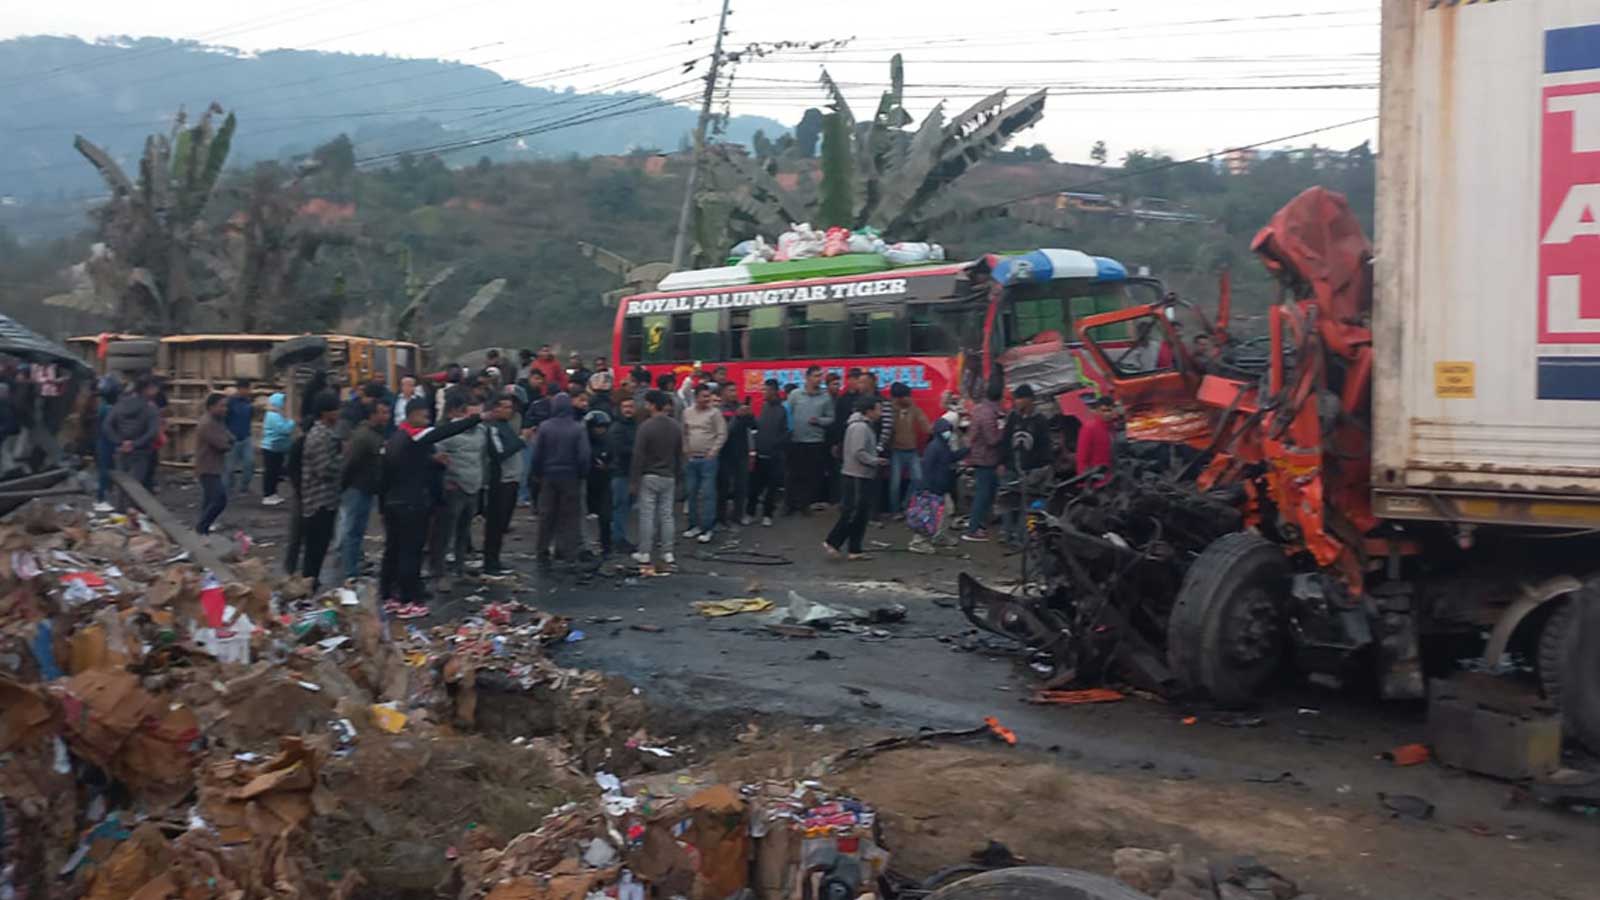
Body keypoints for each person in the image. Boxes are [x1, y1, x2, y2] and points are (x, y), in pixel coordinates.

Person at [379, 399, 482, 609]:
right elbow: (445, 431)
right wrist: (477, 418)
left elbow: (395, 470)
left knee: (394, 549)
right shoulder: (414, 435)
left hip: (394, 502)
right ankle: (409, 598)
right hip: (412, 503)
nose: (427, 422)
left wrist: (433, 462)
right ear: (413, 415)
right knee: (411, 550)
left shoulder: (396, 438)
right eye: (425, 417)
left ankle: (389, 592)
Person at [529, 392, 590, 569]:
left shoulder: (545, 427)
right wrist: (582, 474)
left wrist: (536, 474)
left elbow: (537, 454)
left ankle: (542, 552)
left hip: (549, 476)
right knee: (570, 517)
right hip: (570, 477)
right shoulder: (578, 428)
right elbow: (584, 456)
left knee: (547, 515)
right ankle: (568, 553)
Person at [825, 396, 885, 560]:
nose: (880, 413)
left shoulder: (862, 426)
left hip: (859, 474)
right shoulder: (860, 427)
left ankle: (855, 549)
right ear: (869, 410)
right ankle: (833, 541)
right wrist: (875, 461)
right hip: (857, 475)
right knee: (853, 513)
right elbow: (858, 452)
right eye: (878, 409)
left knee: (861, 515)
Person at [435, 391, 486, 581]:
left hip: (473, 487)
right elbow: (436, 458)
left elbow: (482, 458)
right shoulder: (448, 433)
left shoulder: (481, 432)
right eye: (471, 416)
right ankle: (441, 573)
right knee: (445, 533)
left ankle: (459, 568)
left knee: (464, 532)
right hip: (455, 488)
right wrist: (446, 481)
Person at [339, 398, 390, 581]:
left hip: (367, 489)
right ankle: (350, 572)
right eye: (382, 413)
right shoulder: (363, 436)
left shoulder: (376, 434)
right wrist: (342, 487)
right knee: (352, 530)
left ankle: (353, 566)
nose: (386, 416)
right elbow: (349, 463)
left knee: (358, 530)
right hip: (357, 489)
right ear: (372, 415)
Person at [630, 390, 681, 570]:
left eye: (647, 403)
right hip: (669, 476)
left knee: (647, 515)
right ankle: (668, 552)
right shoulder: (675, 426)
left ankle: (644, 552)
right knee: (667, 515)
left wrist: (634, 480)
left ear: (652, 405)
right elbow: (679, 454)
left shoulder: (645, 427)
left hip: (649, 476)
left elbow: (638, 455)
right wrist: (679, 476)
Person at [1000, 384, 1054, 546]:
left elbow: (1045, 445)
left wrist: (1044, 466)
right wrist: (1002, 462)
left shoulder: (1040, 421)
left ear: (1030, 400)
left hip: (1031, 471)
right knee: (1006, 502)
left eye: (1020, 398)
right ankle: (1006, 532)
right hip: (1011, 468)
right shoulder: (1013, 418)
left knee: (1027, 506)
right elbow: (1005, 441)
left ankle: (1021, 537)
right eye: (1016, 398)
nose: (1017, 402)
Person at [299, 391, 343, 588]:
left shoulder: (326, 433)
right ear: (326, 413)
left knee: (319, 548)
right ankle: (308, 587)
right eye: (336, 410)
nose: (338, 414)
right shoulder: (319, 436)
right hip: (318, 502)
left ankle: (311, 584)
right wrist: (344, 460)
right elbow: (324, 469)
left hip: (325, 500)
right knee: (314, 550)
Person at [482, 394, 526, 575]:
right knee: (495, 523)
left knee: (502, 523)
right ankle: (490, 561)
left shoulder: (506, 426)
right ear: (496, 409)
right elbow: (499, 453)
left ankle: (495, 559)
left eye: (511, 407)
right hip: (501, 481)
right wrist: (521, 441)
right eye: (506, 407)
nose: (510, 411)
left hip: (512, 479)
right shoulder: (492, 428)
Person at [908, 418, 966, 553]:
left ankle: (940, 536)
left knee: (946, 511)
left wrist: (965, 451)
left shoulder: (940, 446)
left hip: (938, 487)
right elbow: (930, 468)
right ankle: (918, 542)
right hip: (932, 488)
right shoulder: (936, 447)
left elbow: (950, 458)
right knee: (928, 515)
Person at [103, 375, 161, 511]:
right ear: (146, 389)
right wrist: (135, 444)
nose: (156, 391)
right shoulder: (150, 408)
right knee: (136, 486)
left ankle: (120, 513)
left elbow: (107, 425)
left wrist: (119, 442)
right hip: (141, 452)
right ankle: (132, 516)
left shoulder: (120, 404)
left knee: (121, 486)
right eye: (154, 388)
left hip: (121, 450)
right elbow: (152, 431)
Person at [680, 383, 726, 544]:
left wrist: (713, 452)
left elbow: (721, 434)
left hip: (708, 460)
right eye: (704, 396)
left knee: (707, 494)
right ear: (696, 397)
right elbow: (684, 432)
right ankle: (694, 526)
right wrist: (686, 450)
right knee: (691, 493)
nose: (707, 399)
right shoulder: (687, 412)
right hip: (692, 459)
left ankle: (708, 528)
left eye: (709, 396)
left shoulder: (715, 413)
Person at [785, 365, 834, 515]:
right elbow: (787, 414)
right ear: (807, 377)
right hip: (796, 441)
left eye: (820, 376)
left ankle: (805, 505)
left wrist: (819, 420)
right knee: (792, 474)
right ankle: (790, 505)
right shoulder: (795, 395)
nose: (819, 379)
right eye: (816, 376)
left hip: (814, 442)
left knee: (811, 475)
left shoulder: (825, 397)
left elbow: (831, 418)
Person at [963, 380, 1004, 542]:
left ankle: (979, 524)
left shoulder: (980, 409)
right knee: (983, 494)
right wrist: (1003, 430)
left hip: (979, 457)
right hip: (986, 459)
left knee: (986, 494)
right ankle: (973, 529)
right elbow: (992, 439)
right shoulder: (989, 413)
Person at [748, 379, 787, 526]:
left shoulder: (782, 410)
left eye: (766, 390)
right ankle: (750, 512)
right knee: (754, 486)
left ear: (774, 391)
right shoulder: (763, 407)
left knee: (771, 487)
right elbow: (757, 427)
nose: (763, 393)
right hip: (759, 453)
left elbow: (787, 432)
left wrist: (776, 445)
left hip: (774, 455)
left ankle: (767, 514)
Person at [887, 382, 930, 515]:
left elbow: (925, 426)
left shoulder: (914, 409)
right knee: (895, 484)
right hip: (896, 451)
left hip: (912, 450)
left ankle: (906, 506)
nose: (909, 398)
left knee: (918, 479)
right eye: (906, 396)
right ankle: (895, 511)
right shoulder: (889, 410)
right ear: (898, 398)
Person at [716, 383, 755, 527]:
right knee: (723, 487)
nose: (734, 393)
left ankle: (738, 515)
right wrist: (737, 417)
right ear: (723, 393)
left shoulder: (740, 407)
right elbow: (726, 431)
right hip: (724, 453)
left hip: (742, 452)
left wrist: (749, 415)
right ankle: (721, 517)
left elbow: (753, 426)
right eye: (731, 390)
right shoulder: (718, 410)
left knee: (742, 486)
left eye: (735, 390)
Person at [194, 392, 233, 535]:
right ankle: (201, 527)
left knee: (209, 500)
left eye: (225, 406)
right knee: (219, 499)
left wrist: (228, 441)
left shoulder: (217, 421)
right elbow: (223, 444)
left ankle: (202, 532)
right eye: (221, 406)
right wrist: (228, 442)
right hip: (208, 467)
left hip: (213, 466)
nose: (225, 409)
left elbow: (230, 437)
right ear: (211, 407)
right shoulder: (207, 424)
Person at [606, 396, 638, 553]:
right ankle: (617, 539)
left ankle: (616, 537)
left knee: (624, 507)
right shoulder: (617, 428)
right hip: (620, 473)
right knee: (621, 507)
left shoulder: (634, 426)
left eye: (631, 406)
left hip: (630, 473)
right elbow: (619, 450)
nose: (628, 409)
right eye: (625, 406)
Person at [584, 410, 615, 556]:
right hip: (586, 483)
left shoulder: (609, 441)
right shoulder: (583, 442)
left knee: (605, 516)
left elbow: (616, 460)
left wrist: (607, 467)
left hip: (603, 483)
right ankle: (587, 546)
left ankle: (606, 546)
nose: (600, 430)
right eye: (598, 427)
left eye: (603, 427)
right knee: (585, 516)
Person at [260, 393, 294, 506]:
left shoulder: (275, 415)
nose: (283, 404)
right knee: (271, 472)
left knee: (274, 472)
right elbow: (284, 429)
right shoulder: (273, 416)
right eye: (282, 402)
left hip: (276, 447)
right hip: (272, 447)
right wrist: (292, 422)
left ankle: (272, 493)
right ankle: (268, 495)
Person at [92, 377, 120, 512]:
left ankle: (105, 496)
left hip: (104, 441)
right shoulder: (107, 409)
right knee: (105, 471)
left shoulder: (104, 406)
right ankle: (101, 499)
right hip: (105, 442)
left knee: (107, 470)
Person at [1077, 396, 1116, 488]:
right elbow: (1082, 458)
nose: (1107, 414)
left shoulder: (1113, 428)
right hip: (1096, 482)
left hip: (1112, 479)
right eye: (1104, 411)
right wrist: (1087, 483)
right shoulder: (1089, 428)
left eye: (1109, 410)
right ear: (1098, 411)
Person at [224, 379, 255, 496]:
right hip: (232, 439)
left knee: (250, 463)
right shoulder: (230, 402)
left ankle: (244, 487)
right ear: (241, 389)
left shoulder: (248, 402)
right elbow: (224, 420)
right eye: (247, 389)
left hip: (246, 437)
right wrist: (227, 434)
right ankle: (229, 488)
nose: (249, 391)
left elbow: (250, 417)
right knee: (229, 468)